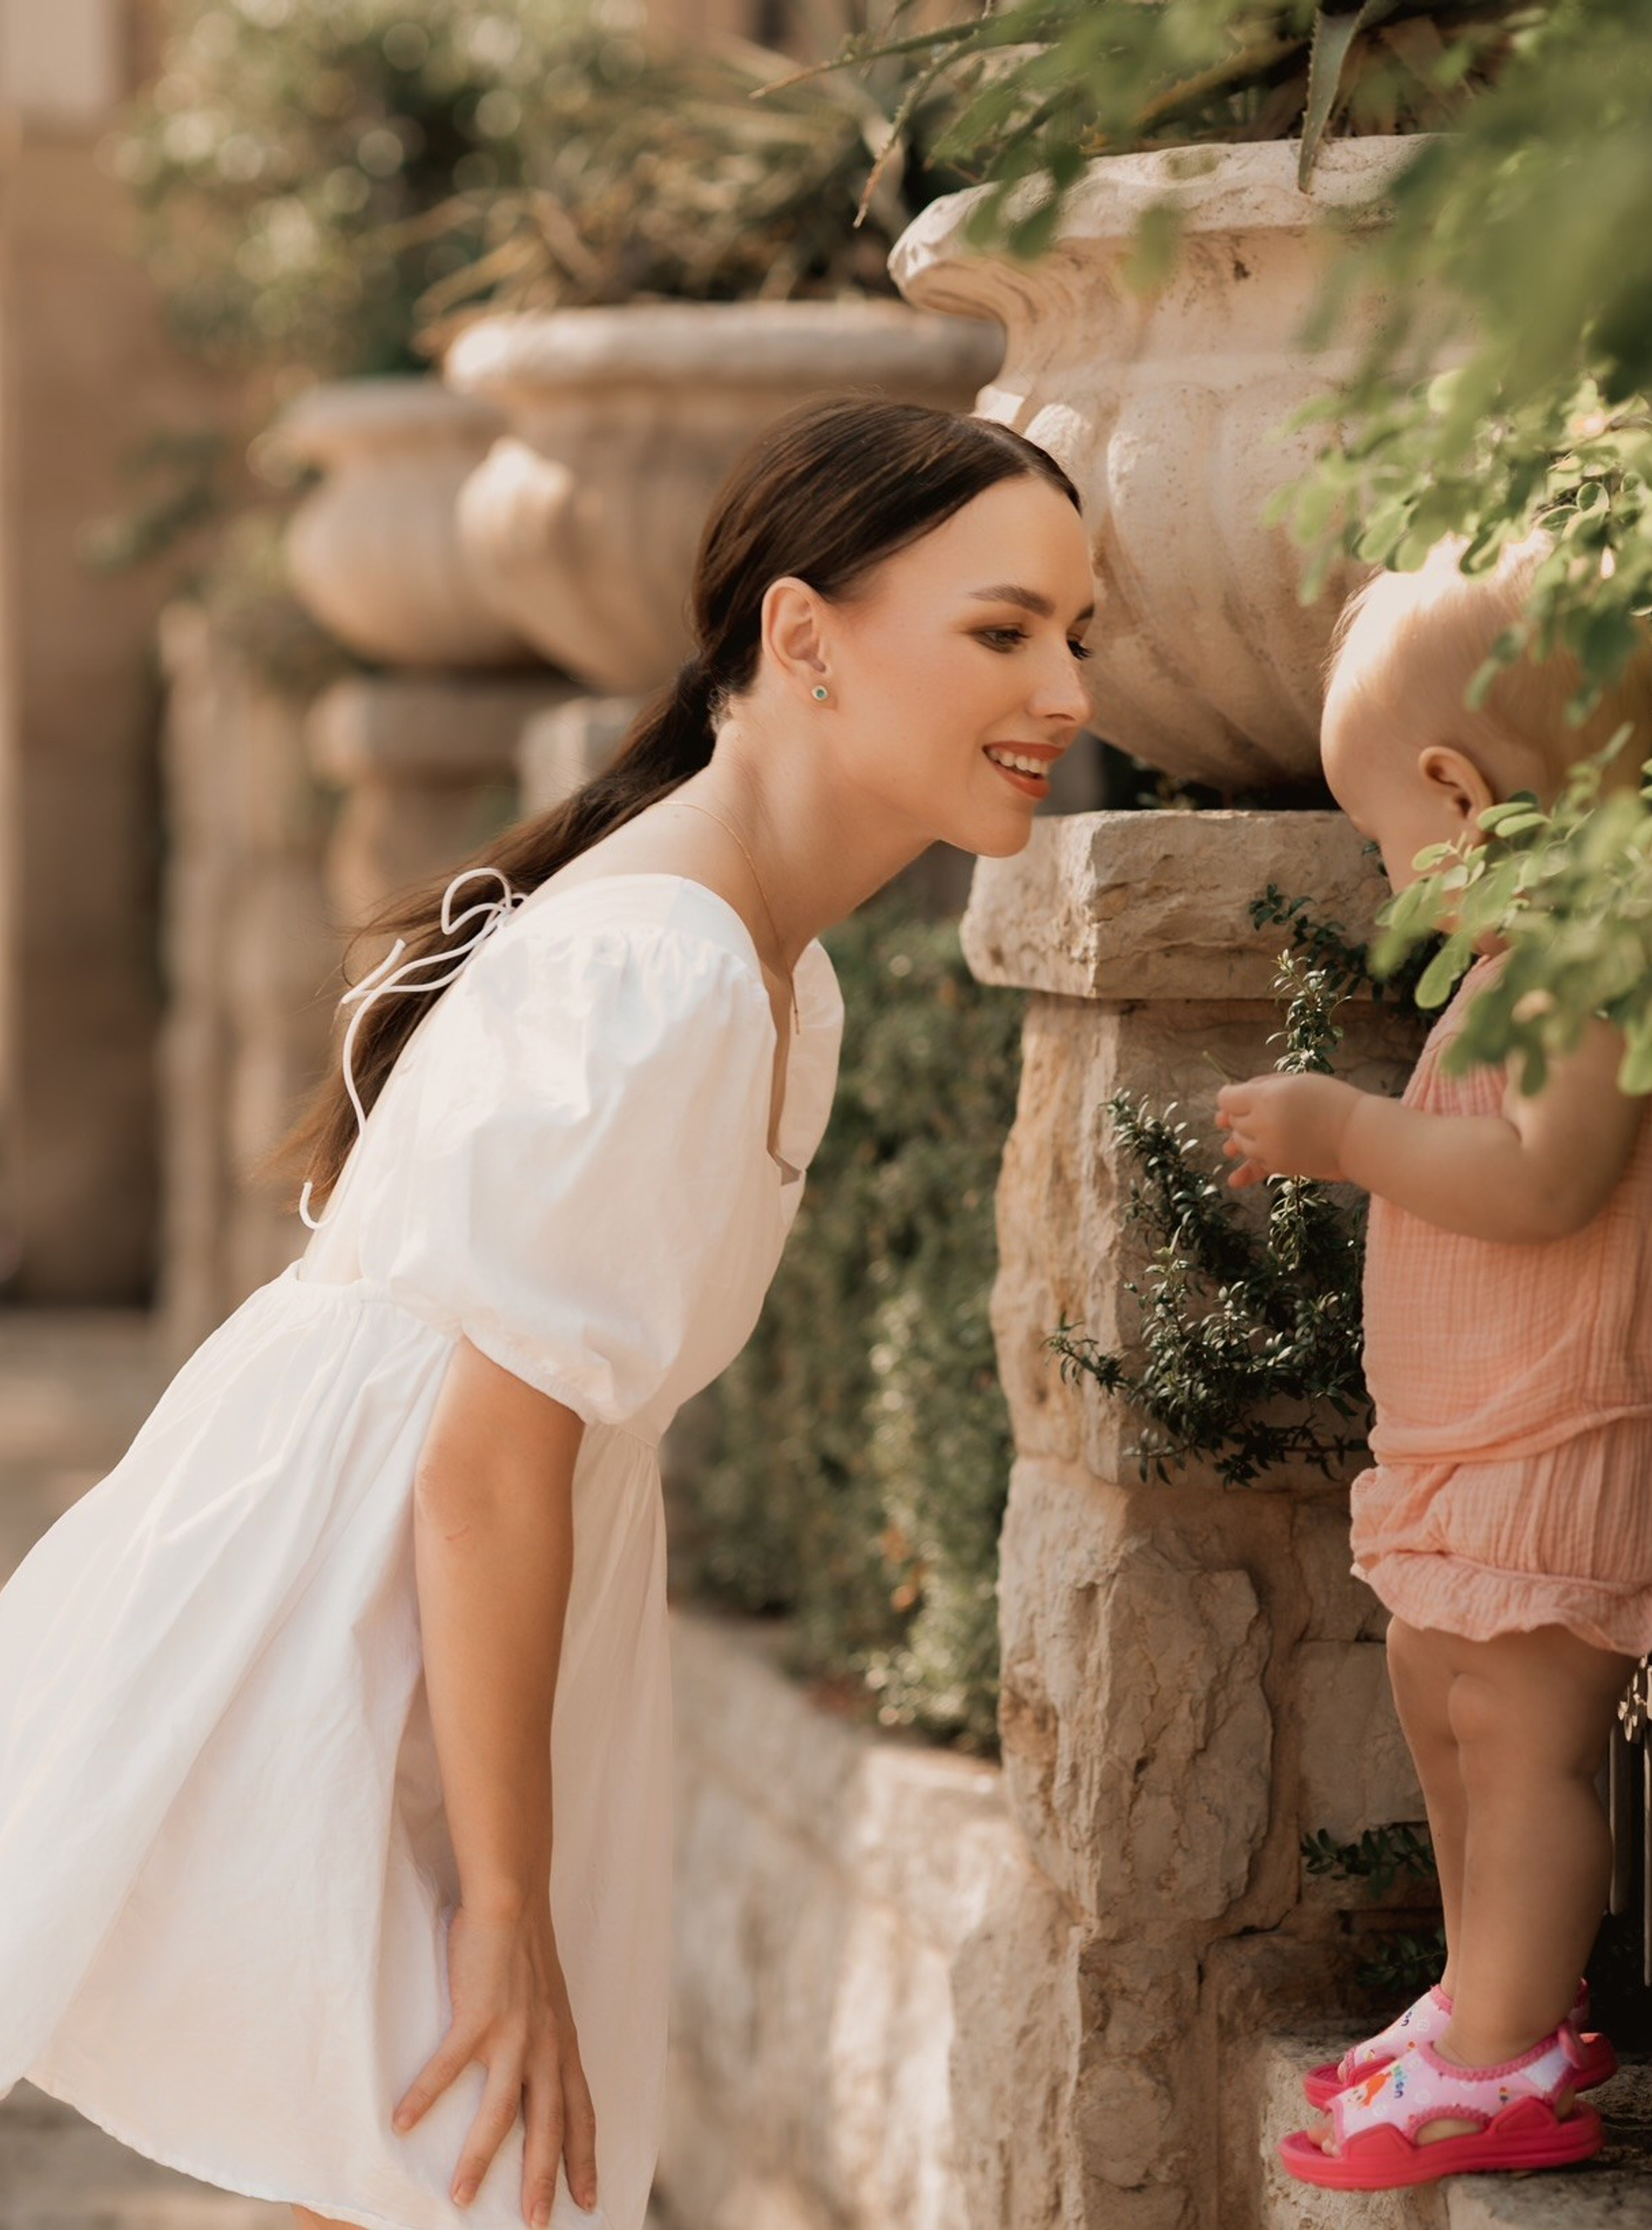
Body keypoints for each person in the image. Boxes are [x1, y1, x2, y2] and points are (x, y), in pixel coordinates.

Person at [0, 396, 1094, 2230]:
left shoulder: (763, 967)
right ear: (801, 638)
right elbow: (486, 1465)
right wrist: (503, 1906)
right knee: (441, 2160)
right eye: (1003, 630)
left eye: (1077, 633)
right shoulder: (670, 971)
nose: (1063, 688)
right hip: (369, 1598)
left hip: (439, 1597)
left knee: (419, 2177)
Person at [1214, 533, 1652, 2193]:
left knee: (1519, 1737)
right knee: (1440, 1704)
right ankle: (1480, 2003)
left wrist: (1348, 1133)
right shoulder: (1524, 972)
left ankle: (1511, 2054)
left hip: (1573, 1437)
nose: (1390, 881)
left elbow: (1545, 1183)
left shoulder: (1602, 973)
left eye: (1387, 839)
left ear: (1454, 790)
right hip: (1485, 1442)